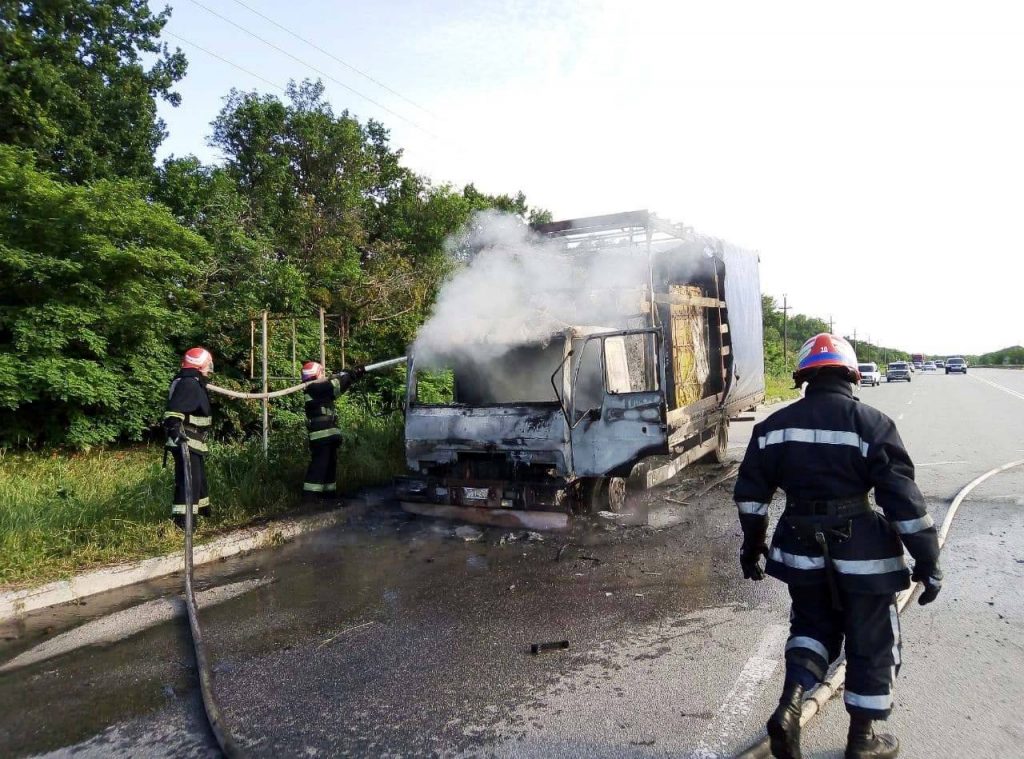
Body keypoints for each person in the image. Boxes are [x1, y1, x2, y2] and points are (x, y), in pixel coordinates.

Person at [734, 334, 941, 759]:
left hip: (799, 547)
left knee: (811, 627)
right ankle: (862, 740)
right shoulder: (872, 424)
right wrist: (928, 559)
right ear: (851, 374)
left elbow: (751, 501)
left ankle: (790, 705)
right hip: (864, 553)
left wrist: (752, 549)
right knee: (872, 637)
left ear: (804, 376)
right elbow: (903, 501)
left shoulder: (772, 428)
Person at [164, 347, 215, 529]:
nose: (209, 369)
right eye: (208, 365)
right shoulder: (189, 383)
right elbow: (174, 412)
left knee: (196, 481)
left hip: (193, 440)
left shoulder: (192, 381)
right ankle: (182, 526)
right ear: (200, 365)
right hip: (185, 440)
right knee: (189, 482)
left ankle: (193, 521)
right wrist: (176, 430)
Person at [300, 361, 364, 503]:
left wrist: (352, 377)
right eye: (322, 373)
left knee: (330, 465)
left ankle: (329, 496)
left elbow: (337, 390)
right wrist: (347, 375)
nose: (325, 375)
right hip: (321, 434)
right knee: (320, 465)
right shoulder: (314, 388)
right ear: (316, 375)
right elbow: (333, 385)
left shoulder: (320, 389)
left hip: (328, 433)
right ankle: (309, 498)